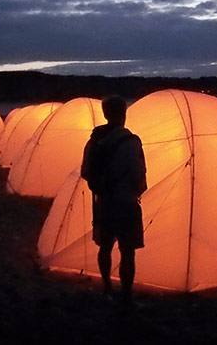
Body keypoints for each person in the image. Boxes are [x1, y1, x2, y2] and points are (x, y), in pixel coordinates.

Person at [81, 95, 147, 303]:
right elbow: (138, 173)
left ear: (105, 113)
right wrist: (137, 190)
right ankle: (126, 292)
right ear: (124, 114)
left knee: (105, 246)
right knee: (127, 251)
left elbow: (85, 171)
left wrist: (103, 185)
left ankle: (107, 286)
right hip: (126, 203)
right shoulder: (130, 141)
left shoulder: (95, 139)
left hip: (104, 202)